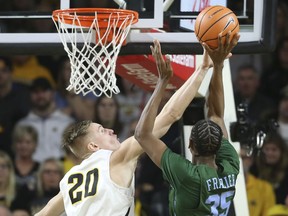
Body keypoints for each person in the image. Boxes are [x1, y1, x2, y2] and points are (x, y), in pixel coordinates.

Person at [35, 38, 224, 216]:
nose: (110, 130)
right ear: (93, 146)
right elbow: (169, 116)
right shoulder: (115, 159)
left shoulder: (70, 180)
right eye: (102, 130)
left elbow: (43, 213)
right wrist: (202, 68)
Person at [134, 32, 240, 215]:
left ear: (190, 144)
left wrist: (162, 83)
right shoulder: (230, 165)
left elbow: (142, 135)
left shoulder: (187, 175)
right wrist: (218, 64)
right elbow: (216, 115)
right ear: (219, 146)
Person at [16, 77, 74, 162]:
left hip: (60, 169)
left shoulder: (67, 122)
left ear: (53, 93)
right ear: (30, 95)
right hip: (32, 171)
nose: (40, 95)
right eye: (36, 92)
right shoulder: (22, 125)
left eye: (44, 91)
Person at [241, 146, 276, 216]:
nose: (238, 161)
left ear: (251, 160)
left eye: (243, 158)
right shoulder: (220, 186)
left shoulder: (264, 188)